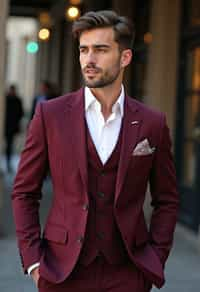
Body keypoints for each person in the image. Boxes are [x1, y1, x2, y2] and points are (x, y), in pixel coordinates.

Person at [12, 10, 179, 292]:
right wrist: (34, 262)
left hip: (128, 272)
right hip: (62, 271)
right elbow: (24, 192)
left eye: (100, 50)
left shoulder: (152, 123)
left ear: (125, 57)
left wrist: (156, 258)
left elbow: (167, 199)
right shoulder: (50, 115)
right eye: (83, 50)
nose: (89, 60)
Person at [4, 84, 24, 173]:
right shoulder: (6, 99)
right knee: (8, 145)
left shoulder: (17, 100)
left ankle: (8, 164)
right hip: (5, 126)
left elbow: (21, 113)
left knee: (9, 145)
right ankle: (7, 164)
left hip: (11, 127)